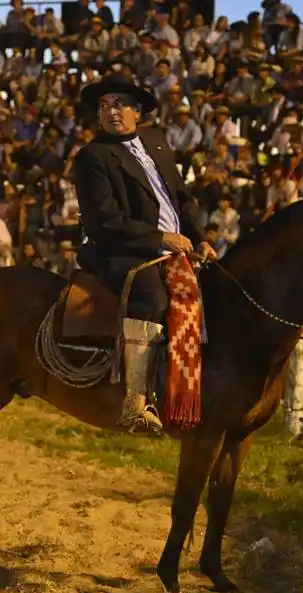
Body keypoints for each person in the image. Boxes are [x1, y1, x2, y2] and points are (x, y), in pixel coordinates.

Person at [73, 78, 215, 434]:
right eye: (104, 105)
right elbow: (104, 220)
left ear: (137, 111)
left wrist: (200, 238)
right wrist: (160, 238)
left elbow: (181, 196)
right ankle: (135, 401)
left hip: (175, 244)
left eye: (119, 103)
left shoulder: (156, 142)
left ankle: (197, 389)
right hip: (122, 250)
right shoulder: (93, 156)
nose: (110, 111)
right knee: (150, 293)